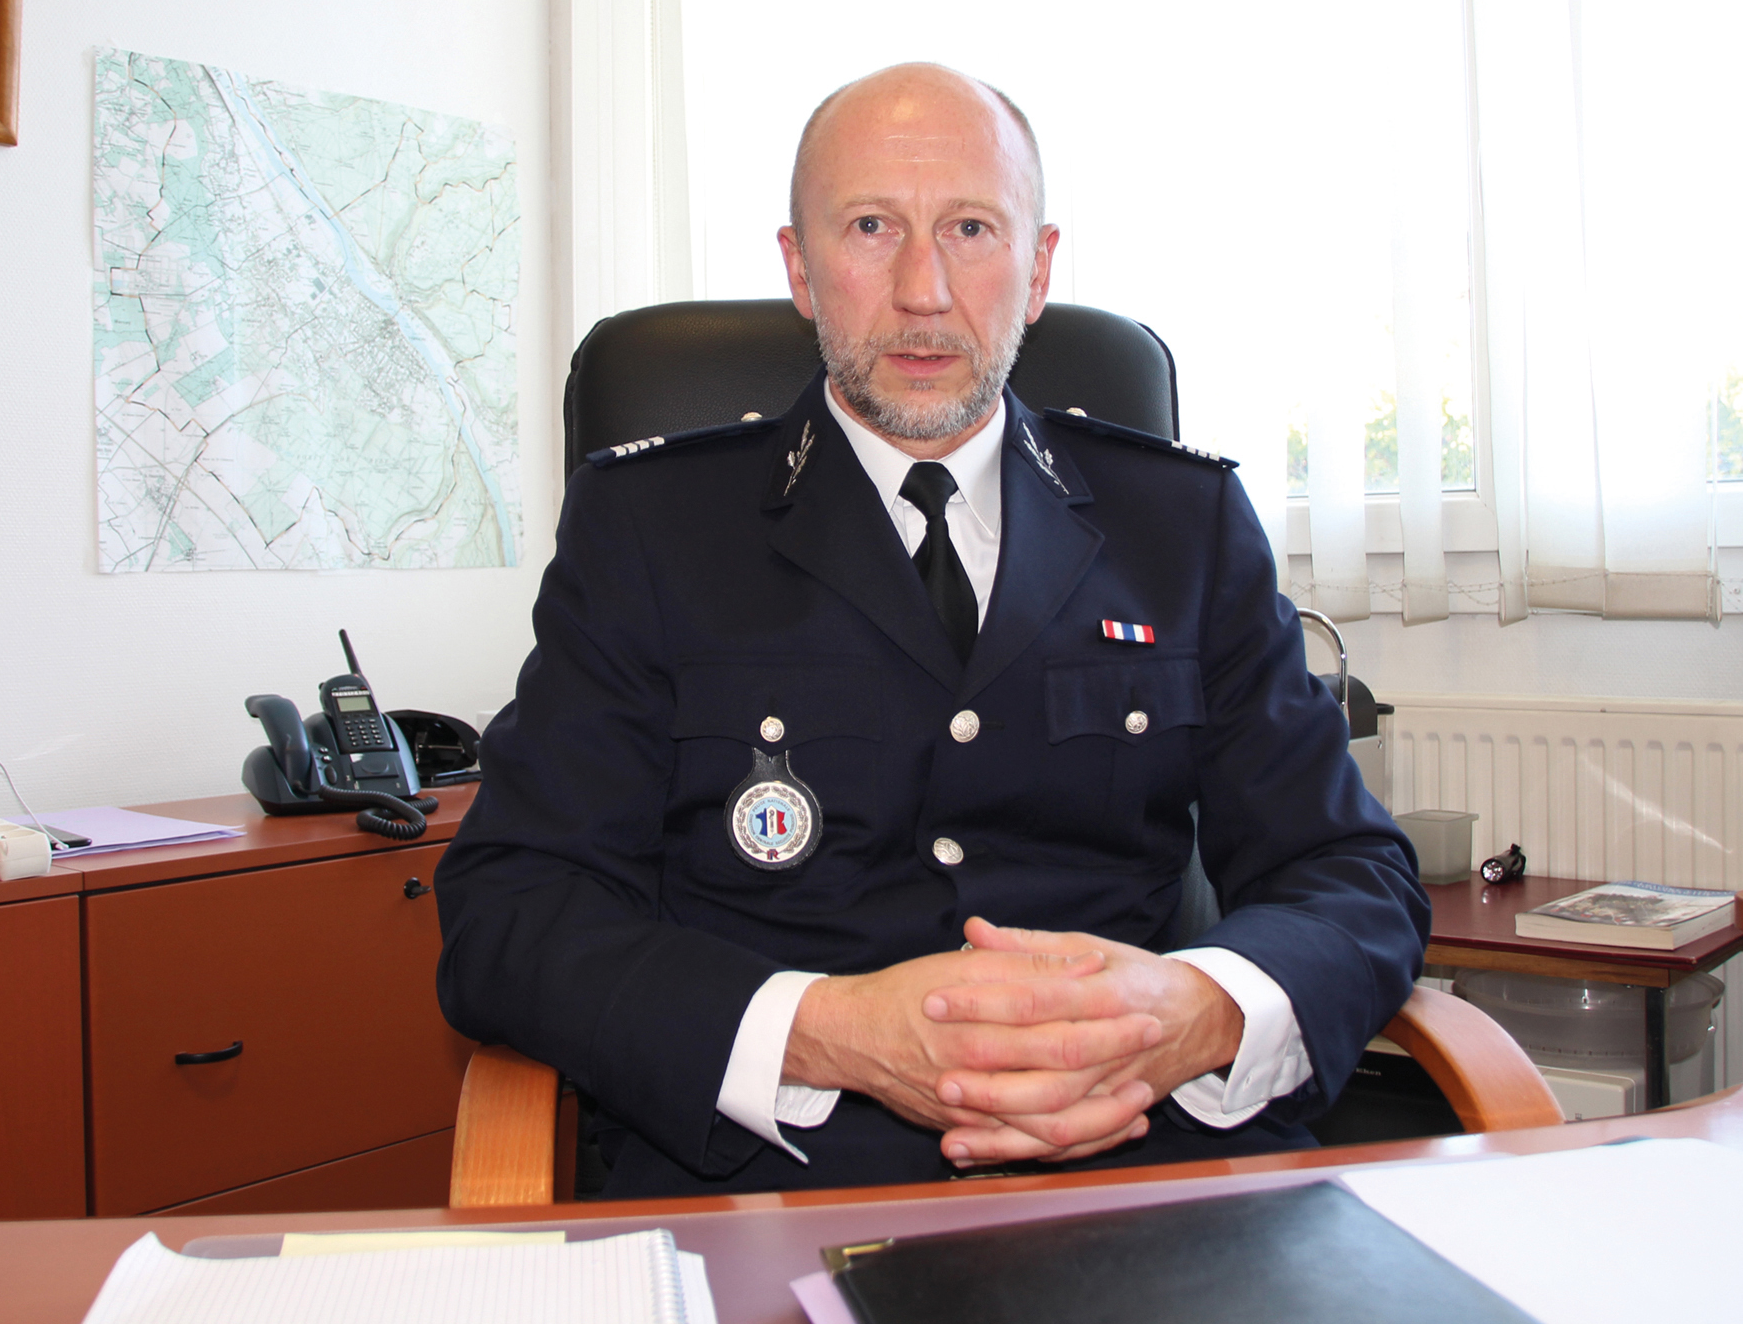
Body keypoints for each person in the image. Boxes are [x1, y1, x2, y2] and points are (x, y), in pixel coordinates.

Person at [434, 63, 1429, 1198]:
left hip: (1144, 1162)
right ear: (800, 268)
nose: (923, 290)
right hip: (784, 1181)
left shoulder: (1179, 523)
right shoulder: (653, 528)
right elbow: (512, 908)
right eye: (870, 227)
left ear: (1038, 268)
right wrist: (825, 1031)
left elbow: (1350, 870)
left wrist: (1191, 1011)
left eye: (970, 228)